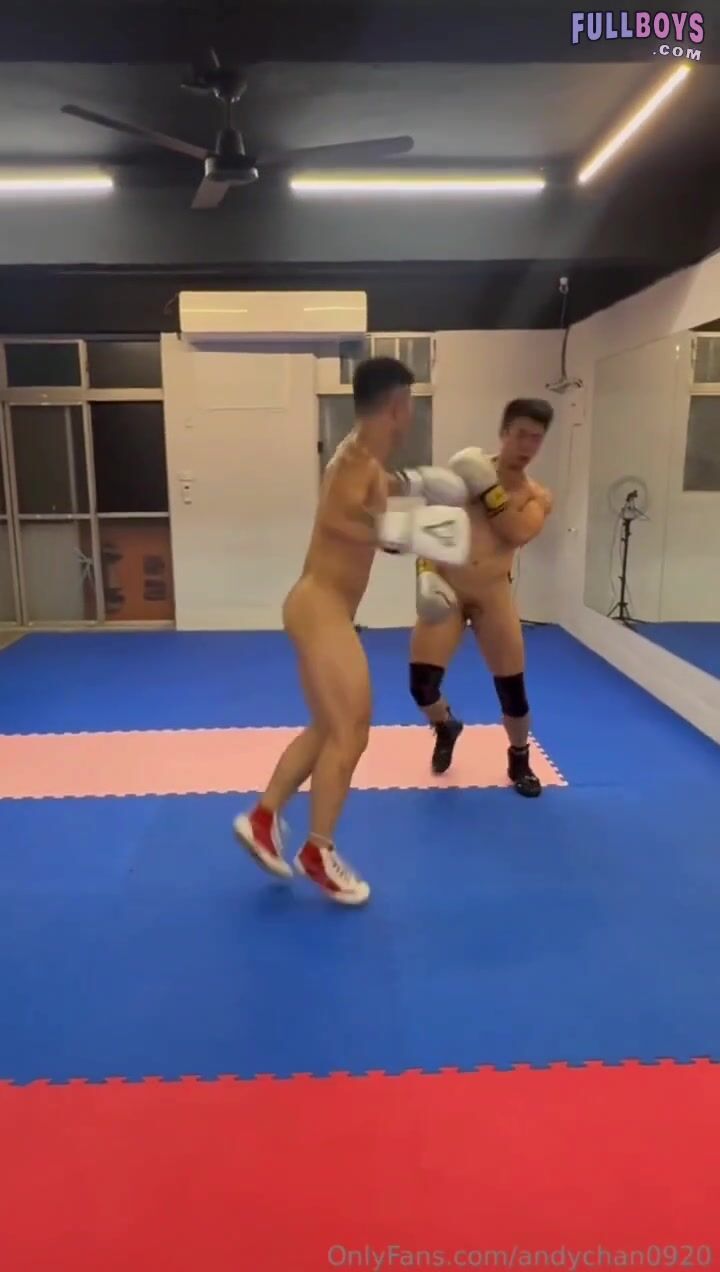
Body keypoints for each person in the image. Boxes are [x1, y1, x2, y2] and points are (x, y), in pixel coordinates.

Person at [234, 356, 472, 905]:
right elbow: (342, 517)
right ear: (399, 406)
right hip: (321, 608)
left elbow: (368, 503)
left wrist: (413, 484)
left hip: (320, 606)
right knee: (352, 730)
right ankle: (318, 852)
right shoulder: (356, 461)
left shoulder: (361, 457)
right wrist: (411, 530)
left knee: (328, 726)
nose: (411, 414)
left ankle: (264, 819)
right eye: (410, 404)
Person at [409, 398, 554, 796]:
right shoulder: (461, 474)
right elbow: (430, 527)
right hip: (450, 591)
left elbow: (517, 532)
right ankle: (445, 726)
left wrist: (487, 489)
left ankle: (519, 757)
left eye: (536, 438)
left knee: (512, 691)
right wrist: (425, 574)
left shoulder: (537, 496)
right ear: (504, 433)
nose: (527, 446)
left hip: (493, 597)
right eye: (521, 435)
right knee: (421, 686)